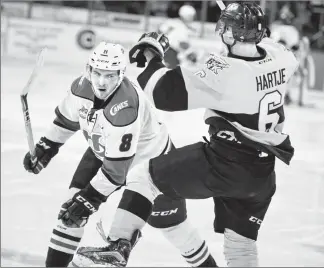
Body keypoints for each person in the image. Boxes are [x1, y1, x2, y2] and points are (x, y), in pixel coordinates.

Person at [73, 2, 299, 267]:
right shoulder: (282, 56)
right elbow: (266, 45)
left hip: (224, 163)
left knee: (144, 176)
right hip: (262, 175)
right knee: (241, 246)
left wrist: (150, 55)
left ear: (228, 33)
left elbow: (162, 93)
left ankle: (118, 244)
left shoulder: (228, 72)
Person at [23, 42, 217, 267]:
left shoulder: (125, 107)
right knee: (69, 214)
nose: (102, 82)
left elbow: (116, 172)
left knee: (174, 228)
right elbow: (66, 121)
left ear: (121, 75)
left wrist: (90, 199)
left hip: (153, 165)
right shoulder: (79, 87)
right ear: (88, 70)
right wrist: (47, 147)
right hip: (104, 151)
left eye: (110, 75)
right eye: (97, 73)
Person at [158, 4, 199, 68]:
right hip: (170, 51)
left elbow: (159, 30)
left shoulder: (171, 22)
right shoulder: (182, 27)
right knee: (172, 71)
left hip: (161, 48)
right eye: (192, 16)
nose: (193, 18)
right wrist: (191, 54)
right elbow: (182, 44)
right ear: (188, 16)